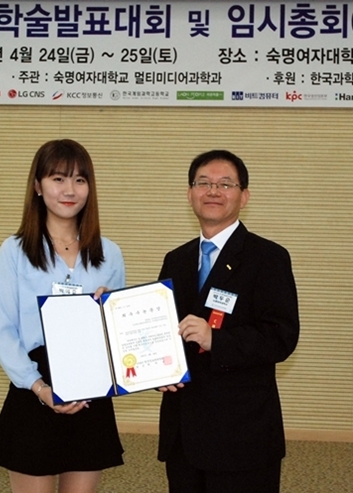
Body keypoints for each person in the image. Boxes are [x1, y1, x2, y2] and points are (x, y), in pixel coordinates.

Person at [0, 139, 125, 493]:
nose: (69, 190)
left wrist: (112, 312)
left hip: (90, 392)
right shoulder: (14, 251)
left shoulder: (109, 254)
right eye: (58, 179)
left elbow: (119, 336)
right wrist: (40, 387)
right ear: (37, 186)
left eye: (80, 180)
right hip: (34, 387)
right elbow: (4, 331)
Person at [157, 150, 299, 493]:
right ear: (190, 193)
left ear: (244, 196)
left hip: (241, 433)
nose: (213, 191)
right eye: (203, 183)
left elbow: (281, 336)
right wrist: (159, 369)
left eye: (225, 184)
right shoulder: (176, 259)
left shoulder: (268, 257)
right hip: (184, 431)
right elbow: (163, 329)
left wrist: (215, 340)